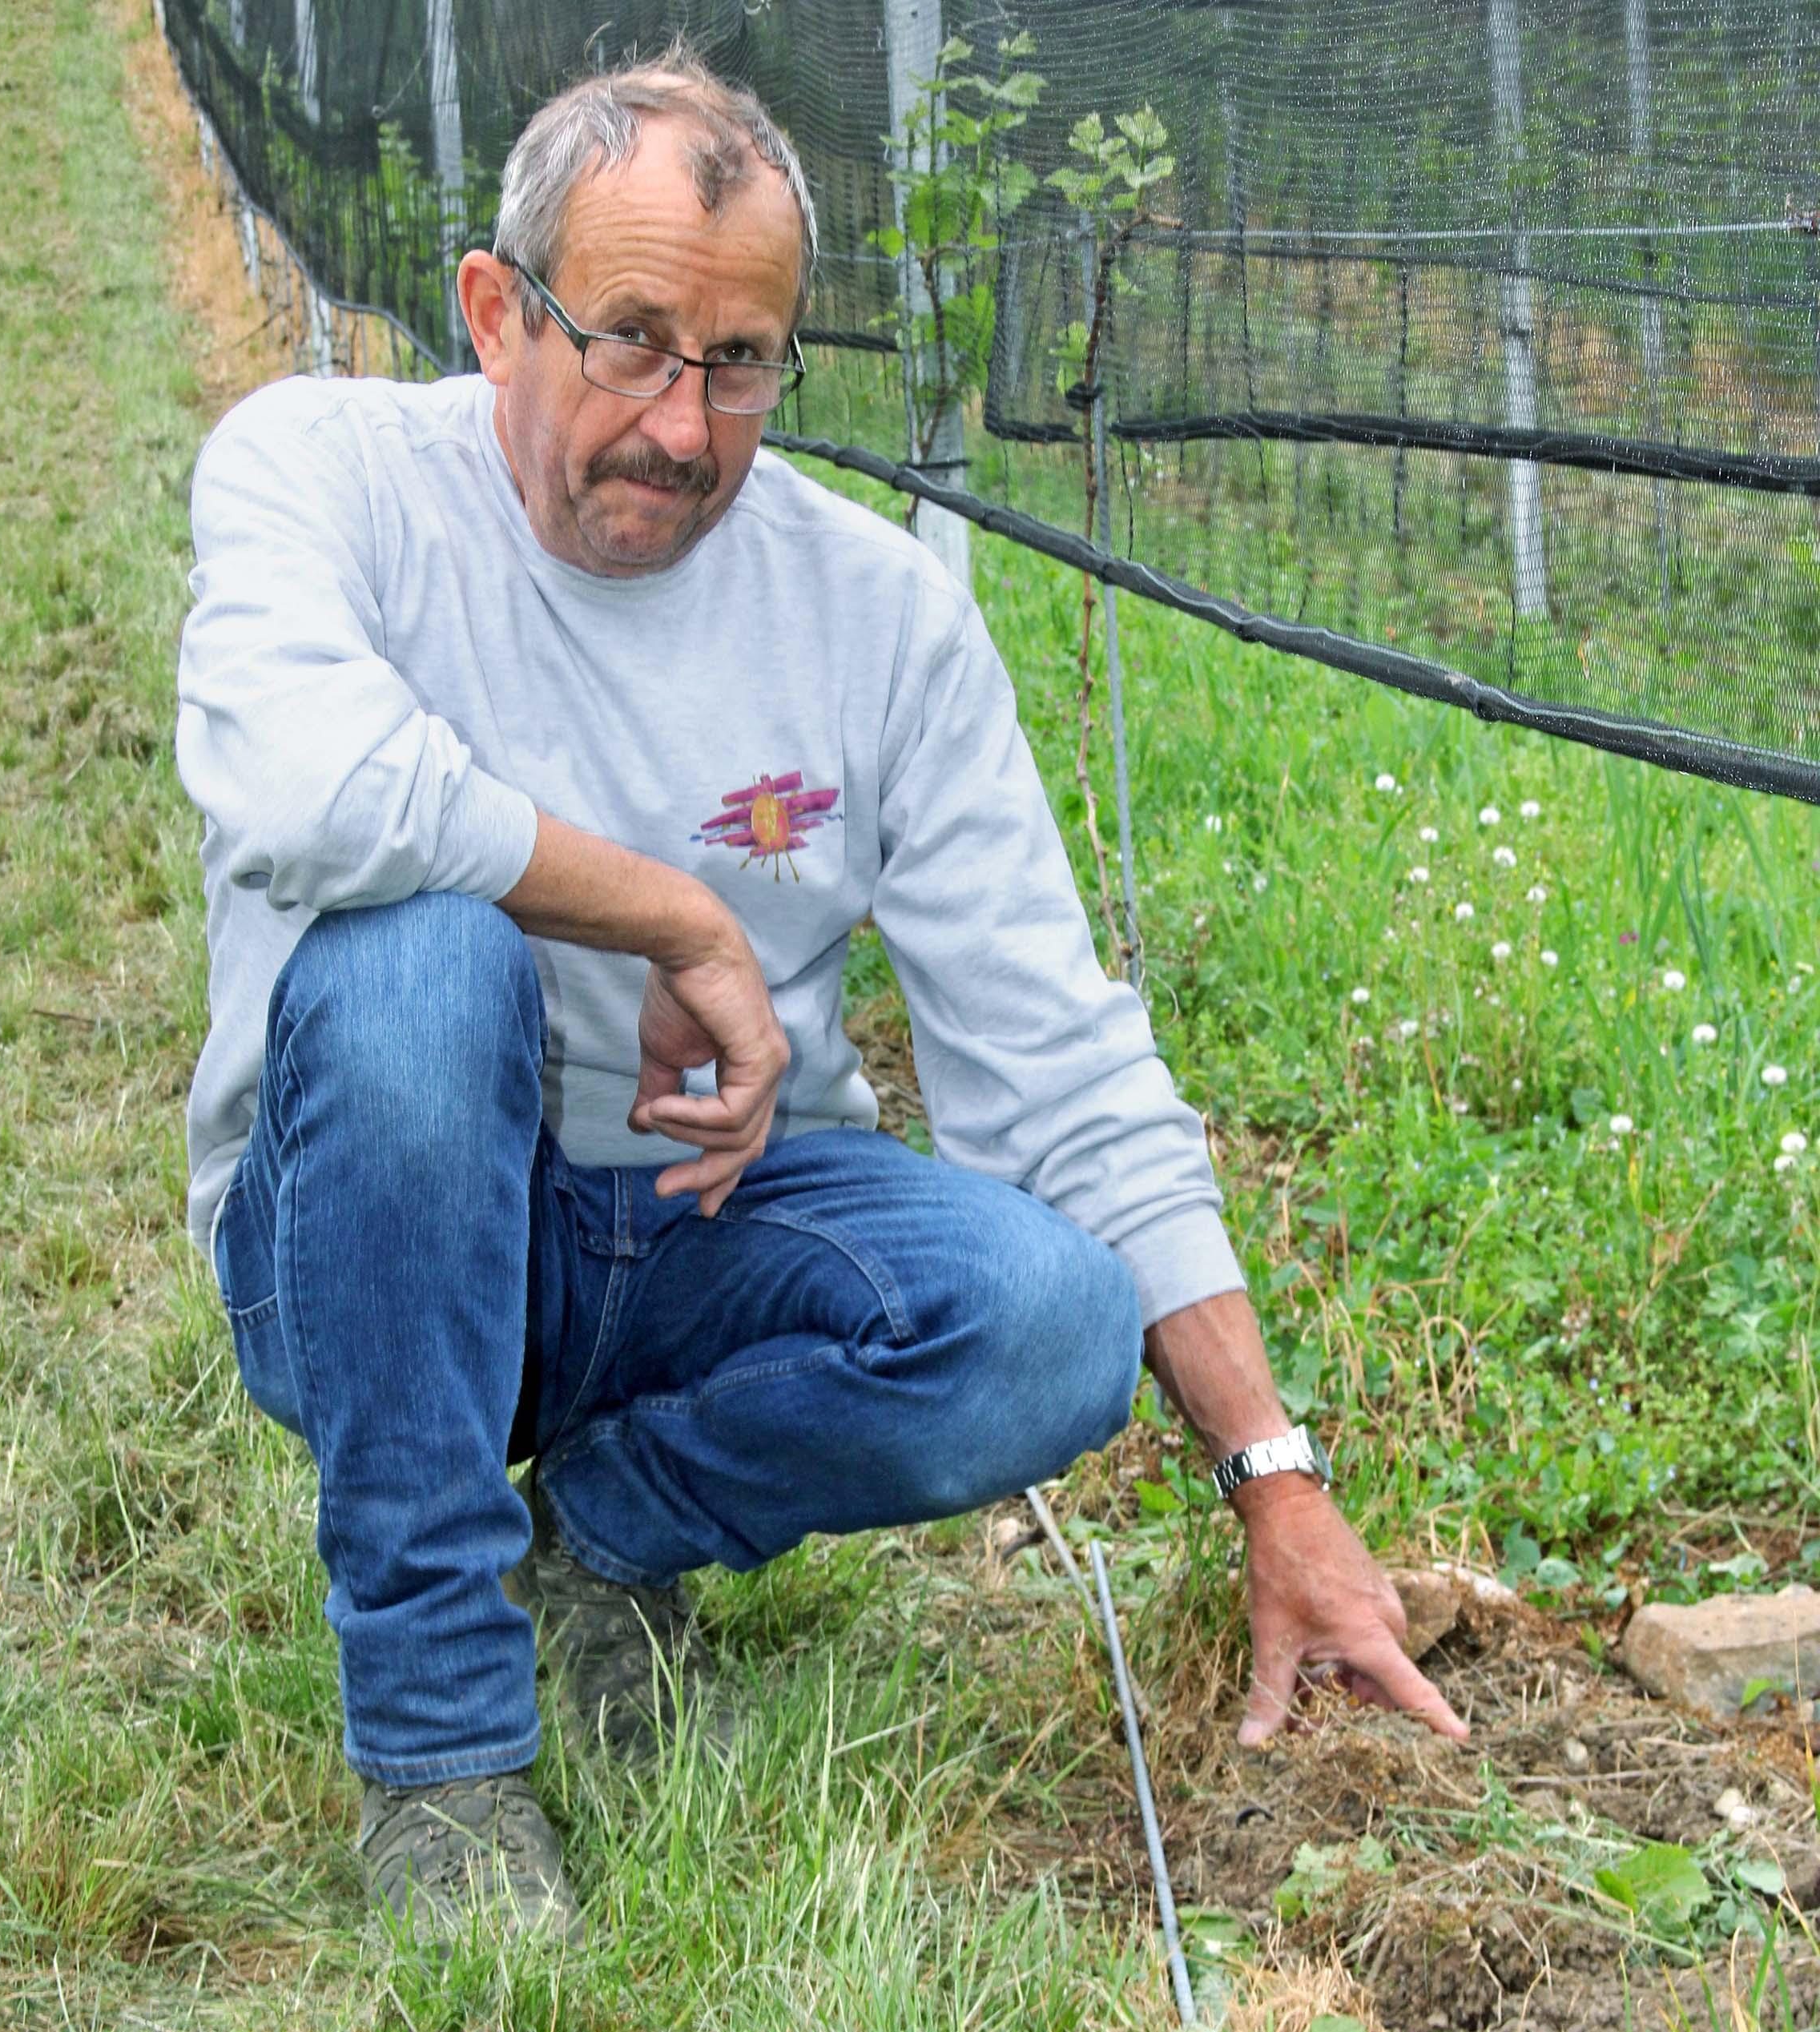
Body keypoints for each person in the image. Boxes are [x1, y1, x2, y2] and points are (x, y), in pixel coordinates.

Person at [175, 50, 1467, 1945]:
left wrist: (1272, 1480)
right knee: (412, 963)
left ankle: (601, 1534)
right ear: (489, 312)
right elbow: (306, 783)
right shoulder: (320, 471)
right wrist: (675, 918)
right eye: (627, 342)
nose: (684, 429)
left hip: (706, 1224)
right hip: (370, 1243)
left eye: (744, 361)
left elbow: (1054, 1060)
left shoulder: (875, 615)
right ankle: (445, 1764)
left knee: (1047, 1321)